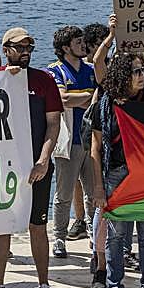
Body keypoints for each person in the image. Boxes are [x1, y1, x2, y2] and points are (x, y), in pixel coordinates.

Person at [0, 28, 63, 288]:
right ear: (7, 50)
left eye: (30, 46)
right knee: (2, 226)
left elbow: (53, 124)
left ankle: (43, 286)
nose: (26, 51)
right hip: (4, 169)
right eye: (20, 47)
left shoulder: (44, 81)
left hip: (36, 167)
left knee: (37, 226)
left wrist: (43, 159)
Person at [90, 52, 144, 288]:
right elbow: (96, 147)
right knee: (116, 234)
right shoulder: (106, 103)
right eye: (135, 71)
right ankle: (115, 287)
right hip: (116, 174)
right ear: (123, 75)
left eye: (143, 70)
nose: (141, 76)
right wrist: (98, 187)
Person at [47, 26, 97, 263]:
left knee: (94, 192)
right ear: (66, 48)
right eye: (78, 42)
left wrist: (81, 98)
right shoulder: (55, 71)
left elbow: (99, 96)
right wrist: (91, 96)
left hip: (92, 140)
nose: (83, 45)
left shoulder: (91, 70)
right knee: (64, 193)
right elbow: (62, 98)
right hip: (69, 141)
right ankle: (59, 237)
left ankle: (95, 233)